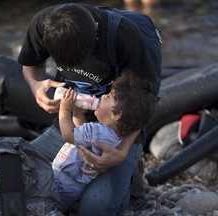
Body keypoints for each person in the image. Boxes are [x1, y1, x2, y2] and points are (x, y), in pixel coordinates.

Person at [17, 3, 161, 215]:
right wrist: (35, 85)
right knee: (15, 172)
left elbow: (145, 106)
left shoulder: (125, 38)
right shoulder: (45, 24)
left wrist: (121, 153)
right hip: (74, 124)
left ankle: (132, 174)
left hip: (119, 130)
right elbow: (31, 66)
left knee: (95, 209)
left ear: (95, 28)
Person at [52, 72, 159, 212]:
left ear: (116, 114)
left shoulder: (98, 131)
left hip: (62, 182)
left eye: (108, 96)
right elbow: (82, 135)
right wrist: (79, 113)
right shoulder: (113, 136)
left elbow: (69, 135)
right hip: (71, 185)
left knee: (41, 202)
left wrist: (65, 109)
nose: (102, 96)